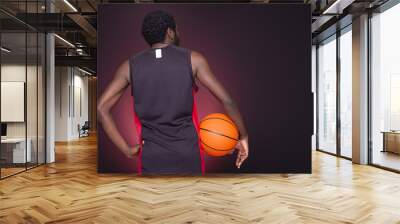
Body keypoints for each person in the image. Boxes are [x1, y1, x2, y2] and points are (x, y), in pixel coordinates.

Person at [97, 10, 249, 175]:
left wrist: (126, 150)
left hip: (152, 156)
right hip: (188, 154)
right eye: (177, 29)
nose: (179, 33)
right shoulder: (194, 59)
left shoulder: (129, 66)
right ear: (170, 32)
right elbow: (228, 101)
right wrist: (243, 136)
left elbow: (101, 109)